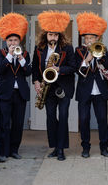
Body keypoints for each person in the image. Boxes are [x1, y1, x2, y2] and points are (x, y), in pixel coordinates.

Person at [32, 10, 76, 161]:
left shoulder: (67, 48)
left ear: (60, 35)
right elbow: (34, 67)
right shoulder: (39, 49)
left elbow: (73, 67)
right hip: (47, 88)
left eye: (56, 35)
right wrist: (36, 82)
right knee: (50, 117)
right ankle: (55, 147)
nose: (53, 37)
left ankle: (61, 149)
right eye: (51, 34)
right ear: (46, 34)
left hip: (63, 87)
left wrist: (59, 69)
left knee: (63, 116)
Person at [75, 12, 108, 158]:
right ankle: (85, 147)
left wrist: (100, 56)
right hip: (84, 90)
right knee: (84, 120)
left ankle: (104, 147)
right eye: (86, 38)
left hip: (100, 90)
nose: (89, 40)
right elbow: (78, 71)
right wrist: (88, 58)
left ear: (97, 38)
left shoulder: (103, 49)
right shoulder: (78, 51)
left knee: (102, 119)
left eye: (91, 38)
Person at [0, 13, 31, 163]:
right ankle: (2, 152)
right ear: (6, 41)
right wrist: (9, 56)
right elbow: (0, 69)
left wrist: (21, 58)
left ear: (19, 41)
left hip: (20, 93)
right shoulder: (0, 53)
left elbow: (28, 72)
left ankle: (14, 150)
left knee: (17, 123)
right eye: (10, 40)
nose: (13, 43)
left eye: (15, 40)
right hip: (5, 93)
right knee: (4, 123)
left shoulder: (26, 54)